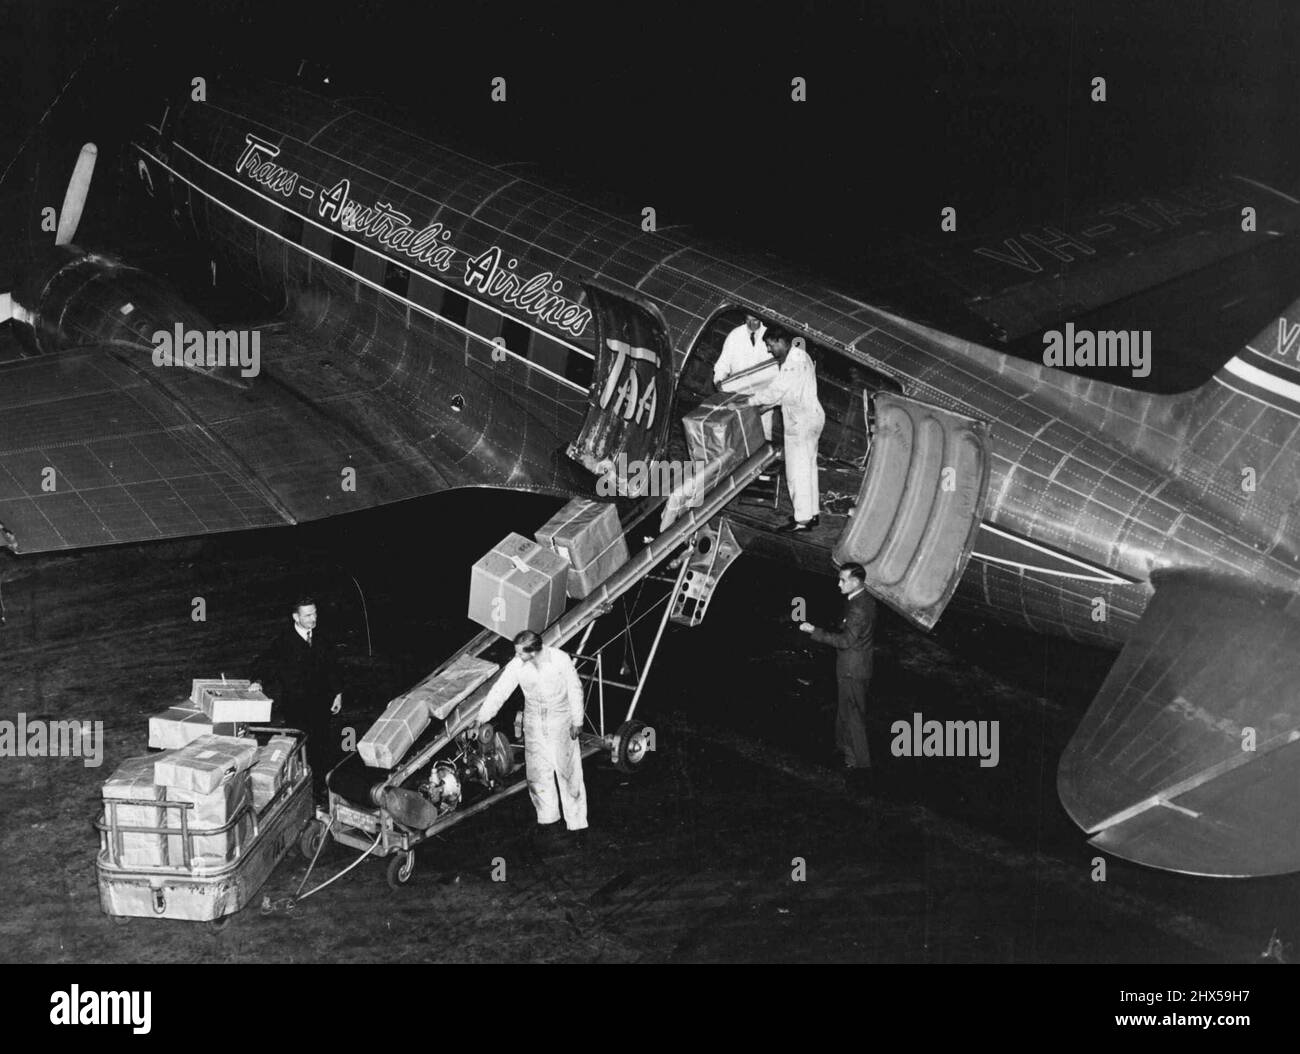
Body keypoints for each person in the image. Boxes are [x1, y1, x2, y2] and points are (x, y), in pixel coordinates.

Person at [475, 630, 588, 845]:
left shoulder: (559, 659)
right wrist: (482, 717)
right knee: (538, 773)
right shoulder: (518, 665)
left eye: (521, 653)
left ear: (534, 651)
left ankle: (577, 825)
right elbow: (501, 690)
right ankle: (548, 820)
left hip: (560, 719)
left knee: (568, 772)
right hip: (534, 721)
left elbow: (575, 688)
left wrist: (577, 720)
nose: (517, 657)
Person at [249, 596, 343, 802]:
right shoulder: (284, 642)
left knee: (322, 748)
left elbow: (332, 667)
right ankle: (303, 791)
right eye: (308, 615)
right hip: (297, 707)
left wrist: (337, 693)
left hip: (322, 704)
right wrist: (258, 681)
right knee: (302, 749)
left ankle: (320, 790)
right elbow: (266, 663)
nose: (313, 618)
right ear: (295, 617)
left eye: (315, 613)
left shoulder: (322, 638)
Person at [799, 563, 876, 786]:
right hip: (857, 665)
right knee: (847, 710)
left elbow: (845, 641)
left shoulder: (858, 608)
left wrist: (815, 631)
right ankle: (844, 750)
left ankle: (858, 763)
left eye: (842, 580)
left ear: (855, 581)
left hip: (852, 668)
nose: (838, 583)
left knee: (853, 715)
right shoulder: (864, 600)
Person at [749, 329, 824, 531]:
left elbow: (776, 390)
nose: (769, 350)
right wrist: (768, 406)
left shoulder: (793, 362)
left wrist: (749, 401)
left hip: (801, 421)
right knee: (808, 468)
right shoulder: (800, 355)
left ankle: (801, 521)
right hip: (810, 416)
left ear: (781, 341)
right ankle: (812, 514)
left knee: (796, 471)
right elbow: (790, 391)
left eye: (770, 345)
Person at [714, 313, 775, 441]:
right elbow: (723, 363)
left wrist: (768, 403)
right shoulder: (735, 335)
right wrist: (719, 381)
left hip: (761, 399)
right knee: (736, 439)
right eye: (748, 320)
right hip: (737, 397)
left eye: (756, 320)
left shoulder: (771, 336)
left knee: (760, 441)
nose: (752, 324)